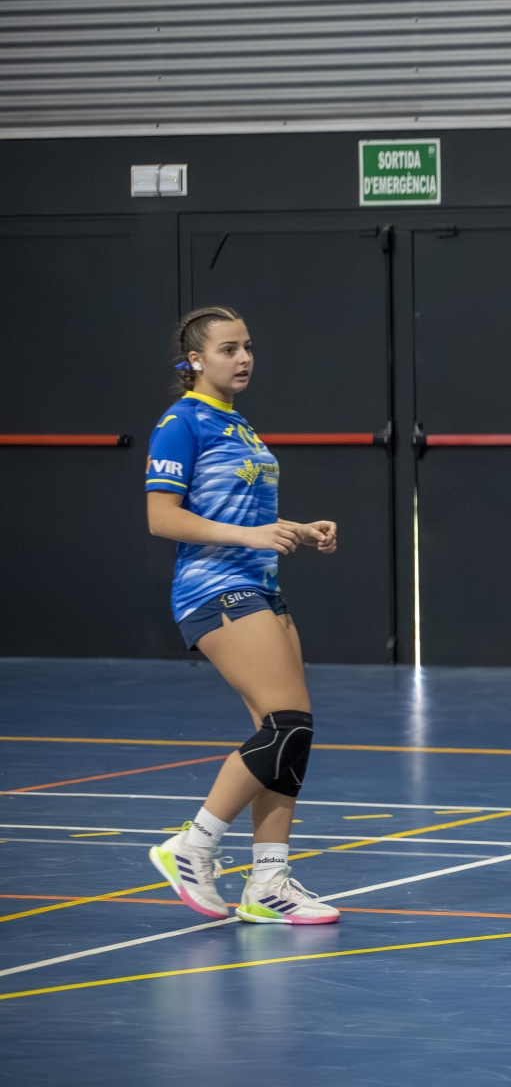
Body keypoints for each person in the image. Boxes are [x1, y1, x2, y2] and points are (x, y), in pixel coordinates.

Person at [144, 306, 342, 925]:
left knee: (287, 736)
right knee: (288, 724)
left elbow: (240, 514)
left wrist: (296, 530)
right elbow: (162, 518)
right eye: (228, 349)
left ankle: (268, 882)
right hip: (214, 589)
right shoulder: (180, 423)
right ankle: (193, 845)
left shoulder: (239, 426)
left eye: (248, 346)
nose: (244, 358)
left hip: (260, 587)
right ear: (195, 360)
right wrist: (252, 537)